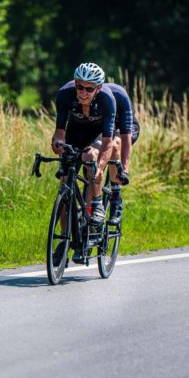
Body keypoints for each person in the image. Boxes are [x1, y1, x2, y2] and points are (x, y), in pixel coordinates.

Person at [51, 62, 116, 263]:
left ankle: (96, 206)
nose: (83, 92)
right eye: (80, 87)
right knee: (64, 181)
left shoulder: (107, 100)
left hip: (97, 135)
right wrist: (57, 145)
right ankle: (64, 240)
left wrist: (100, 167)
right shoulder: (64, 95)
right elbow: (60, 132)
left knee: (90, 159)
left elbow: (108, 143)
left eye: (89, 88)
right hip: (75, 132)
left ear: (98, 88)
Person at [103, 82, 139, 223]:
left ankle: (116, 198)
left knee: (115, 144)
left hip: (125, 128)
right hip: (107, 127)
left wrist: (124, 168)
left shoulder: (119, 95)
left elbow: (125, 136)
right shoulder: (92, 97)